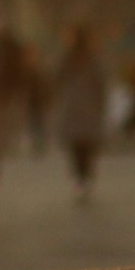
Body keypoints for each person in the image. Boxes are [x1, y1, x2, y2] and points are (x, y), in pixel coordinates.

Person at [52, 23, 109, 204]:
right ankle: (85, 177)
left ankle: (80, 178)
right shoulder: (92, 58)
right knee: (87, 146)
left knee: (76, 147)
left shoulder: (67, 58)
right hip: (88, 107)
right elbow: (101, 82)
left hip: (73, 106)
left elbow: (56, 78)